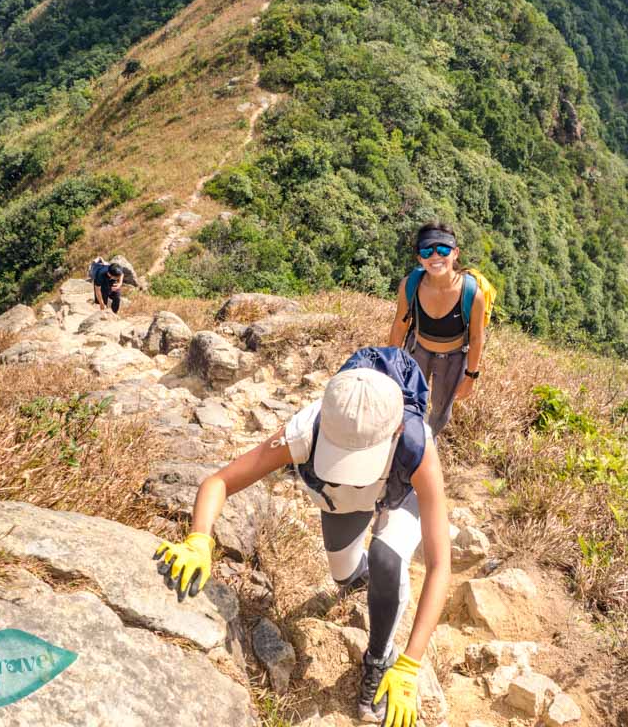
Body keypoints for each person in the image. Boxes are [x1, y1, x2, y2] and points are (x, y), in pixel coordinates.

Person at [153, 347, 451, 727]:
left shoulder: (416, 447)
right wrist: (199, 540)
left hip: (398, 493)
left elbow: (442, 564)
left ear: (395, 431)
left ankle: (379, 657)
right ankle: (368, 585)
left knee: (386, 559)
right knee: (344, 576)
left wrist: (410, 664)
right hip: (345, 502)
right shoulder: (304, 429)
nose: (346, 467)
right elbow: (219, 482)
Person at [388, 222, 485, 437]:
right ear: (419, 258)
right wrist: (392, 360)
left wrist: (470, 377)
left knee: (441, 411)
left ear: (455, 253)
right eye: (426, 250)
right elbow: (400, 323)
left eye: (442, 250)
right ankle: (412, 441)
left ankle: (429, 441)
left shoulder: (472, 294)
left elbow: (477, 338)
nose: (435, 257)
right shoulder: (410, 284)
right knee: (409, 403)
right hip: (417, 350)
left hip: (453, 358)